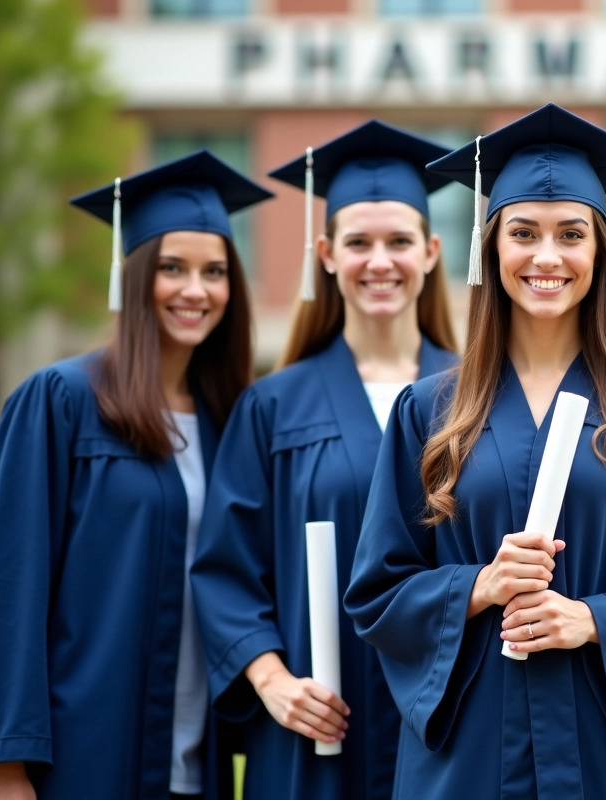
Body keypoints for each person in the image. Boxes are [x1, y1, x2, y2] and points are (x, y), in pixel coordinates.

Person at [342, 103, 606, 800]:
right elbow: (378, 591)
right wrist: (477, 586)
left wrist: (594, 620)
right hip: (470, 760)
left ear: (599, 251)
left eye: (571, 234)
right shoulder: (429, 412)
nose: (547, 256)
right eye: (523, 233)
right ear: (492, 248)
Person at [0, 151, 272, 799]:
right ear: (134, 275)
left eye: (214, 272)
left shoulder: (231, 422)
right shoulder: (60, 401)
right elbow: (10, 585)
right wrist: (6, 767)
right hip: (82, 753)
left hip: (194, 761)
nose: (195, 291)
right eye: (172, 268)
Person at [190, 120, 459, 800]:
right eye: (358, 243)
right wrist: (273, 683)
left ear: (430, 252)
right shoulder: (273, 406)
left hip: (451, 722)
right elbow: (226, 571)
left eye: (399, 242)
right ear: (326, 253)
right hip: (313, 727)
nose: (380, 262)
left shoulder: (477, 396)